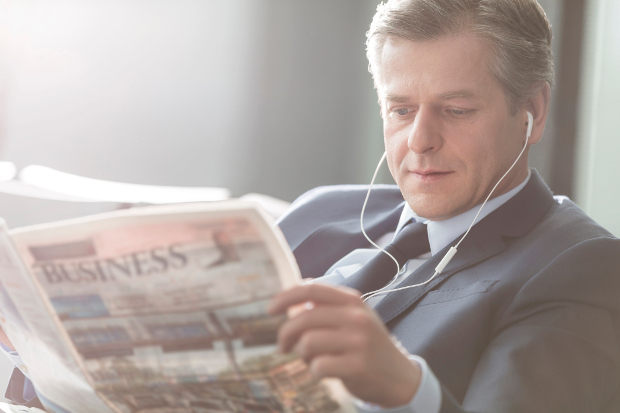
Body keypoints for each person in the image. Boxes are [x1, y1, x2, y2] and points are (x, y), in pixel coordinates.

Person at [269, 0, 620, 412]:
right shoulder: (322, 208)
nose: (420, 140)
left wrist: (409, 392)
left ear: (534, 112)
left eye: (456, 111)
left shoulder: (581, 267)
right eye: (401, 110)